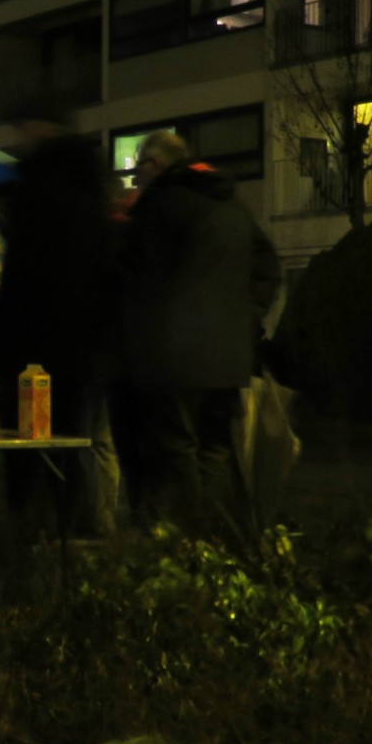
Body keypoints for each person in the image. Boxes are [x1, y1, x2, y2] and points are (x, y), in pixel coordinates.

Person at [112, 130, 281, 540]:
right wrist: (245, 317)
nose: (137, 181)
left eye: (138, 172)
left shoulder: (163, 205)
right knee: (215, 451)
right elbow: (267, 267)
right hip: (227, 357)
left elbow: (134, 279)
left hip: (177, 354)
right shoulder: (231, 204)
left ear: (155, 166)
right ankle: (215, 544)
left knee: (177, 451)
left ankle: (188, 545)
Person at [0, 101, 121, 540]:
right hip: (78, 346)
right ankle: (70, 541)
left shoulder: (40, 185)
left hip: (33, 344)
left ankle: (33, 544)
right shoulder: (89, 187)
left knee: (27, 447)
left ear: (39, 126)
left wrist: (0, 340)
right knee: (66, 443)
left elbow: (30, 274)